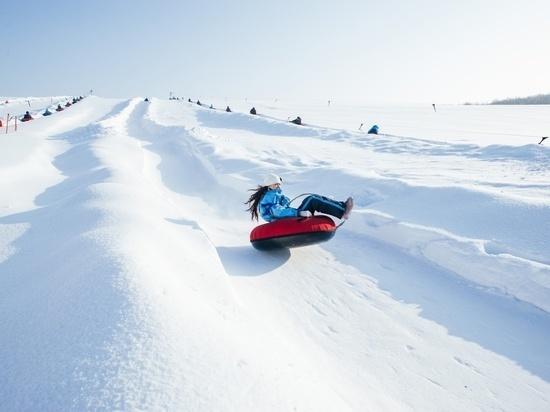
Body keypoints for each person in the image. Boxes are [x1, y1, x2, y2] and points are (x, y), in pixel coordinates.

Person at [245, 173, 353, 222]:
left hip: (286, 217)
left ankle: (341, 207)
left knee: (313, 198)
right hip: (284, 219)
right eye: (275, 184)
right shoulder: (269, 196)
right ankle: (342, 209)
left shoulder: (273, 193)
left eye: (278, 184)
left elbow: (279, 207)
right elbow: (276, 211)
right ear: (268, 185)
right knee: (312, 199)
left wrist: (285, 202)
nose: (278, 186)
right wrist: (298, 213)